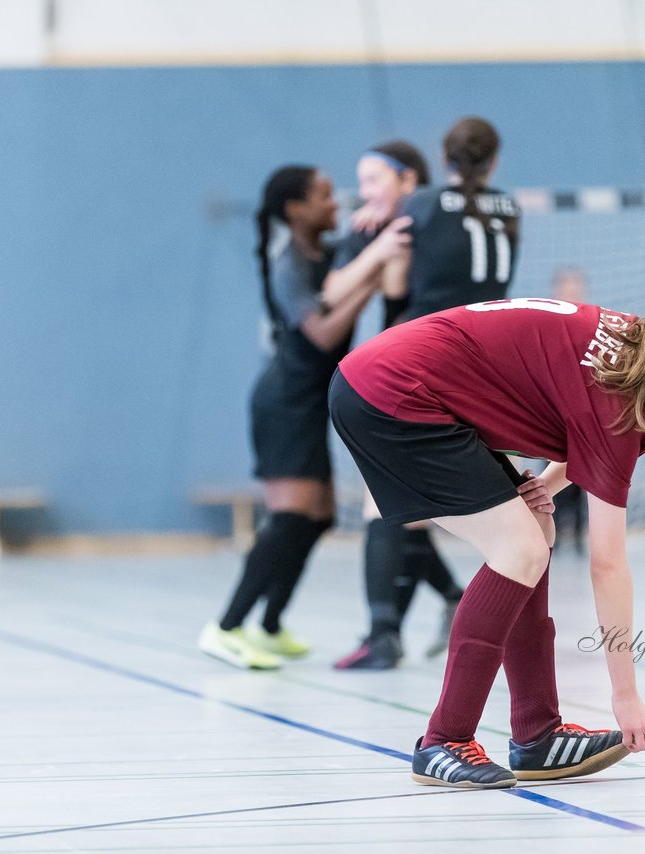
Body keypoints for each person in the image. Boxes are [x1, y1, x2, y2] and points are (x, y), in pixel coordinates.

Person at [329, 296, 645, 787]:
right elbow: (608, 565)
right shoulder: (623, 405)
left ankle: (537, 735)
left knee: (535, 531)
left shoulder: (641, 352)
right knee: (520, 550)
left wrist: (544, 489)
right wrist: (625, 696)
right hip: (393, 397)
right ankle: (443, 741)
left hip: (401, 380)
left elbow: (576, 413)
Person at [199, 164, 409, 670]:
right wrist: (372, 279)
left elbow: (358, 262)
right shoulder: (286, 261)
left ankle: (270, 626)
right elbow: (322, 334)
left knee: (316, 521)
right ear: (295, 208)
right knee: (290, 517)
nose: (334, 201)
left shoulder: (328, 252)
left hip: (312, 400)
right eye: (321, 195)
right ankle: (225, 627)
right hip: (283, 403)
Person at [334, 117, 522, 670]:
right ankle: (455, 604)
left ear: (441, 161)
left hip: (423, 356)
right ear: (495, 162)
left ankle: (382, 633)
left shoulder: (420, 209)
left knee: (383, 502)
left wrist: (373, 228)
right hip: (485, 359)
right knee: (420, 504)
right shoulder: (509, 207)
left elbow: (395, 286)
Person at [550, 266, 591, 554]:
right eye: (567, 285)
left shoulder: (591, 324)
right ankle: (551, 534)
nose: (572, 290)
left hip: (582, 412)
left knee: (582, 478)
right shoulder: (547, 322)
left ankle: (578, 536)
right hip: (551, 411)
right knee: (551, 475)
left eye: (577, 286)